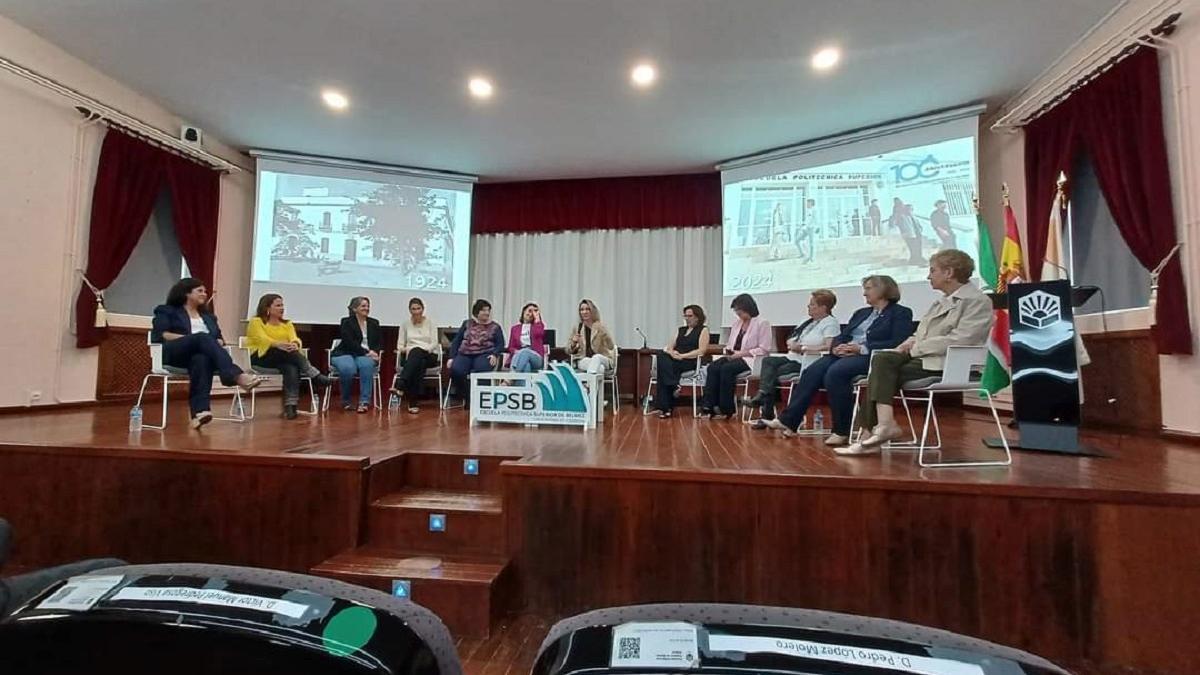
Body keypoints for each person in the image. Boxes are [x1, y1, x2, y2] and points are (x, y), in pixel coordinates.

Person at [841, 250, 993, 455]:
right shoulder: (940, 302)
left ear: (949, 272)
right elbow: (919, 334)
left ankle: (872, 433)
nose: (928, 276)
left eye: (933, 271)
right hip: (926, 358)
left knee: (880, 371)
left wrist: (915, 349)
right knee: (882, 361)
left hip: (951, 364)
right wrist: (904, 346)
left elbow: (963, 338)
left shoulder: (977, 301)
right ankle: (878, 429)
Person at [765, 275, 914, 444]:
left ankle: (841, 430)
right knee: (813, 370)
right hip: (844, 353)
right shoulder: (861, 313)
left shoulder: (900, 313)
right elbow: (842, 335)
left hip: (871, 356)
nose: (864, 294)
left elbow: (897, 341)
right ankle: (789, 421)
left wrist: (860, 348)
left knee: (836, 373)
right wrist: (836, 346)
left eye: (868, 289)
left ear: (883, 289)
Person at [151, 278, 261, 429]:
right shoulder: (166, 310)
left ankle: (200, 412)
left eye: (205, 291)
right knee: (202, 338)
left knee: (201, 359)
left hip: (198, 355)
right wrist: (194, 339)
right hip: (175, 352)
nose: (205, 294)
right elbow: (162, 334)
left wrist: (217, 342)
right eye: (200, 291)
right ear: (186, 293)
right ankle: (235, 375)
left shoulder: (209, 317)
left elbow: (220, 339)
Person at [746, 289, 841, 428]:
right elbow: (793, 338)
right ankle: (764, 400)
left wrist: (803, 348)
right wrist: (791, 343)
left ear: (823, 307)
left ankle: (765, 411)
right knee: (768, 362)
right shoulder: (807, 322)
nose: (809, 307)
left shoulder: (830, 323)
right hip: (793, 357)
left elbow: (828, 347)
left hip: (809, 362)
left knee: (770, 375)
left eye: (812, 304)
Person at [245, 293, 330, 419]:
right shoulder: (256, 322)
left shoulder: (287, 324)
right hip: (261, 357)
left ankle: (290, 407)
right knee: (284, 352)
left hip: (284, 358)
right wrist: (278, 344)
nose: (282, 308)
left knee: (291, 367)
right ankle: (315, 375)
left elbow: (294, 338)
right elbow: (262, 339)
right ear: (267, 308)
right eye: (278, 305)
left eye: (282, 305)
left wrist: (295, 344)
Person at [699, 294, 773, 420]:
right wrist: (728, 351)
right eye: (736, 311)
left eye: (739, 310)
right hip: (734, 356)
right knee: (713, 367)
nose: (738, 314)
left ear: (748, 308)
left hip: (751, 359)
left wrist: (741, 354)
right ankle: (709, 405)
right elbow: (731, 344)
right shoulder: (736, 324)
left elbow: (764, 348)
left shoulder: (762, 323)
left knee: (727, 369)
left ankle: (726, 408)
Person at [647, 304, 711, 418]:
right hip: (675, 359)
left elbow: (701, 350)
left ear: (697, 317)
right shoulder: (680, 330)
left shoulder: (703, 330)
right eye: (685, 316)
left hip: (689, 361)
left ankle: (666, 408)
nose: (687, 318)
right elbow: (670, 346)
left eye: (690, 316)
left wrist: (683, 356)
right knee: (662, 355)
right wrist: (672, 353)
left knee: (664, 370)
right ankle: (674, 386)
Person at [330, 296, 383, 413]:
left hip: (365, 356)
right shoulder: (346, 322)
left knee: (366, 366)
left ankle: (364, 402)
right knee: (348, 368)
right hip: (345, 353)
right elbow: (349, 343)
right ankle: (346, 401)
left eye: (368, 306)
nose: (367, 308)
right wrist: (367, 352)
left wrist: (375, 352)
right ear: (354, 309)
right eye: (363, 306)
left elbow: (378, 342)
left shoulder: (374, 323)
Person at [449, 299, 505, 404]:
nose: (486, 313)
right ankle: (467, 396)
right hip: (465, 354)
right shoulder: (467, 324)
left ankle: (481, 400)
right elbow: (456, 341)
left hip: (485, 354)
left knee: (482, 371)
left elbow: (500, 344)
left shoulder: (495, 327)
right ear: (476, 312)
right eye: (483, 310)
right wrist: (451, 357)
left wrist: (495, 354)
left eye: (488, 310)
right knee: (456, 370)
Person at [391, 297, 439, 414]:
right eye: (413, 309)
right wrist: (409, 350)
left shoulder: (431, 323)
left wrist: (421, 350)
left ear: (423, 309)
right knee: (418, 363)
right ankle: (413, 403)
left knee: (417, 354)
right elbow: (400, 345)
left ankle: (401, 384)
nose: (416, 311)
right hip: (411, 357)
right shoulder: (405, 324)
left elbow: (434, 343)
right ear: (409, 310)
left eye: (418, 308)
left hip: (429, 355)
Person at [566, 299, 615, 375]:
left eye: (587, 309)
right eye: (582, 310)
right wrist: (573, 343)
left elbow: (611, 346)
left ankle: (587, 385)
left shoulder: (600, 326)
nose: (584, 312)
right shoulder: (578, 327)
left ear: (592, 311)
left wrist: (605, 333)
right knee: (600, 369)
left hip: (602, 358)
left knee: (597, 357)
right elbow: (568, 350)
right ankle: (592, 386)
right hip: (583, 359)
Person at [507, 302, 547, 373]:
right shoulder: (515, 329)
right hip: (520, 356)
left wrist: (537, 318)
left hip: (536, 358)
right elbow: (510, 347)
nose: (531, 313)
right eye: (529, 310)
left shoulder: (538, 326)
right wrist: (516, 352)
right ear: (524, 312)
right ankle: (525, 384)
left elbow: (540, 333)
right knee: (526, 365)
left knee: (525, 351)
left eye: (534, 311)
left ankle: (511, 377)